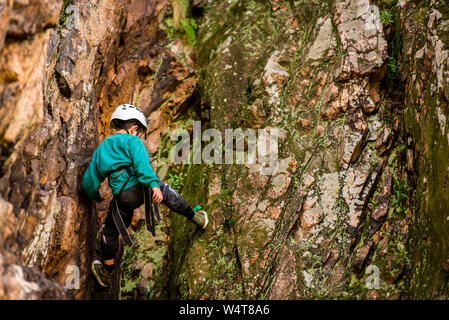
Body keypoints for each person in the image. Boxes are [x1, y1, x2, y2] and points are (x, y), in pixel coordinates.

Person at [81, 104, 208, 288]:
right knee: (166, 191)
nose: (139, 136)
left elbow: (89, 181)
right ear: (134, 129)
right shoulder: (133, 142)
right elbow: (142, 164)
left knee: (110, 229)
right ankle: (195, 217)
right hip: (140, 189)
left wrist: (95, 195)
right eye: (139, 132)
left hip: (123, 198)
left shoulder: (102, 150)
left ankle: (106, 272)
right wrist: (153, 184)